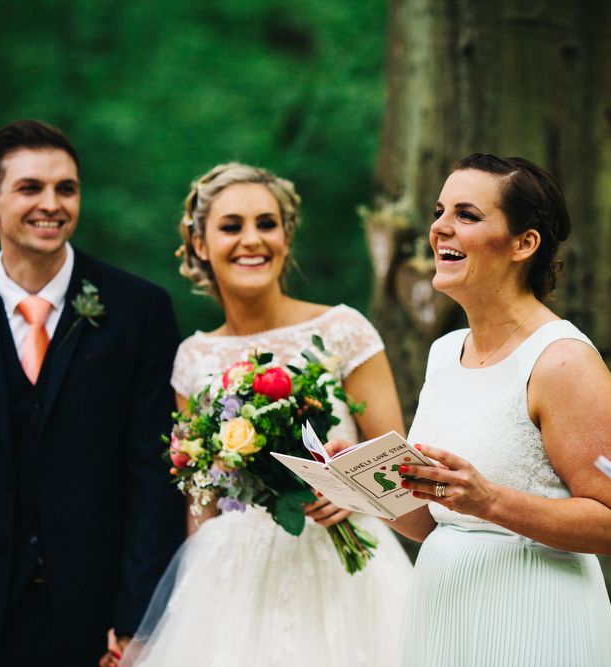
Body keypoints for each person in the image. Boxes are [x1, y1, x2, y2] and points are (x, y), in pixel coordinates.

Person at [117, 162, 413, 666]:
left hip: (343, 573)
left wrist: (352, 492)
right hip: (232, 578)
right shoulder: (193, 358)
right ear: (199, 245)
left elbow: (400, 472)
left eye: (266, 223)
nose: (251, 240)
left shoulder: (344, 330)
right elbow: (202, 504)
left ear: (286, 237)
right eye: (232, 226)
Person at [363, 153, 611, 665]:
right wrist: (360, 484)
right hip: (444, 612)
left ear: (523, 244)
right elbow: (435, 521)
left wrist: (491, 501)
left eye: (467, 215)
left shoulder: (561, 360)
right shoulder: (445, 351)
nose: (440, 228)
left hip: (532, 613)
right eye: (439, 210)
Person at [0, 119, 185, 666]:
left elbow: (155, 472)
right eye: (30, 188)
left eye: (66, 189)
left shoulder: (138, 310)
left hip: (95, 616)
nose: (51, 204)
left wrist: (136, 617)